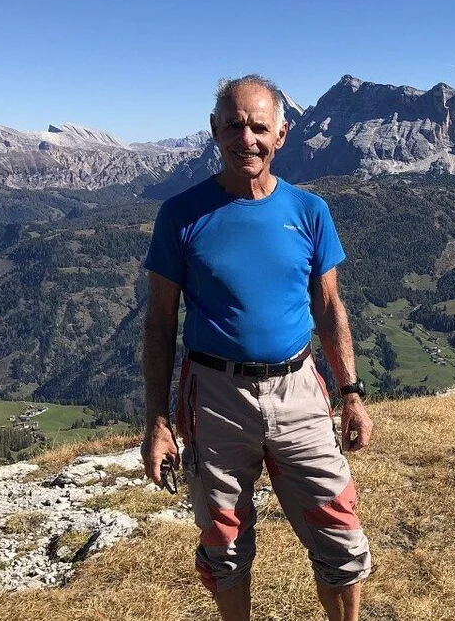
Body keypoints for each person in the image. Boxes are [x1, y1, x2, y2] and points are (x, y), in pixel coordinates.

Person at [140, 75, 374, 621]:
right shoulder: (180, 214)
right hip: (214, 396)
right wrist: (156, 421)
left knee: (341, 541)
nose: (246, 138)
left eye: (258, 127)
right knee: (223, 548)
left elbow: (329, 307)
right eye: (234, 126)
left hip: (299, 390)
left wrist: (351, 393)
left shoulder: (311, 211)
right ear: (215, 131)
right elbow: (159, 322)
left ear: (282, 134)